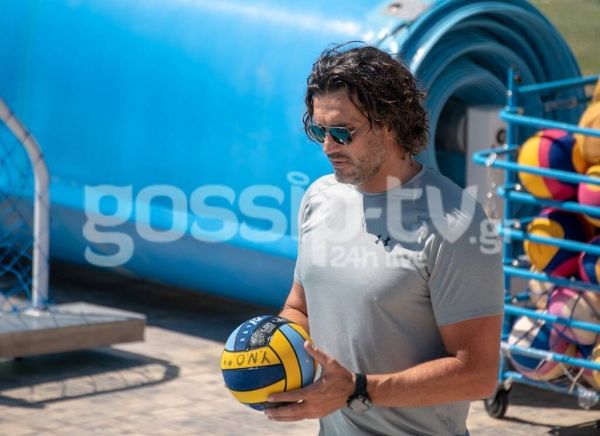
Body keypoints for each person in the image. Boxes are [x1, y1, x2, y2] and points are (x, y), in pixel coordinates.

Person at [265, 44, 504, 436]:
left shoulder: (456, 222)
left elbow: (477, 374)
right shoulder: (320, 198)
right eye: (318, 130)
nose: (327, 146)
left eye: (342, 132)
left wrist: (358, 390)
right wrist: (270, 349)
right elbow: (300, 307)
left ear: (389, 123)